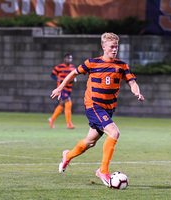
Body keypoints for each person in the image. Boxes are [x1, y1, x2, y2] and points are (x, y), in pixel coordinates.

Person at [50, 32, 144, 187]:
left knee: (90, 142)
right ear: (104, 47)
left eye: (116, 47)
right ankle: (103, 171)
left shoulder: (122, 66)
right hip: (93, 106)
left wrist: (136, 92)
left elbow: (132, 82)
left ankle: (67, 156)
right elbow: (74, 72)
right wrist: (60, 87)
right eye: (112, 47)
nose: (114, 50)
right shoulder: (92, 63)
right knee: (114, 133)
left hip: (108, 109)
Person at [48, 54, 76, 129]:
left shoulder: (73, 67)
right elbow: (52, 75)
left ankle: (52, 119)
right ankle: (69, 124)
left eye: (70, 58)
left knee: (61, 104)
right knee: (68, 103)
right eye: (67, 58)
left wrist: (73, 80)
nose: (69, 59)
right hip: (62, 88)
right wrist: (57, 79)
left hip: (69, 88)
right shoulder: (59, 67)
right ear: (64, 59)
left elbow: (74, 77)